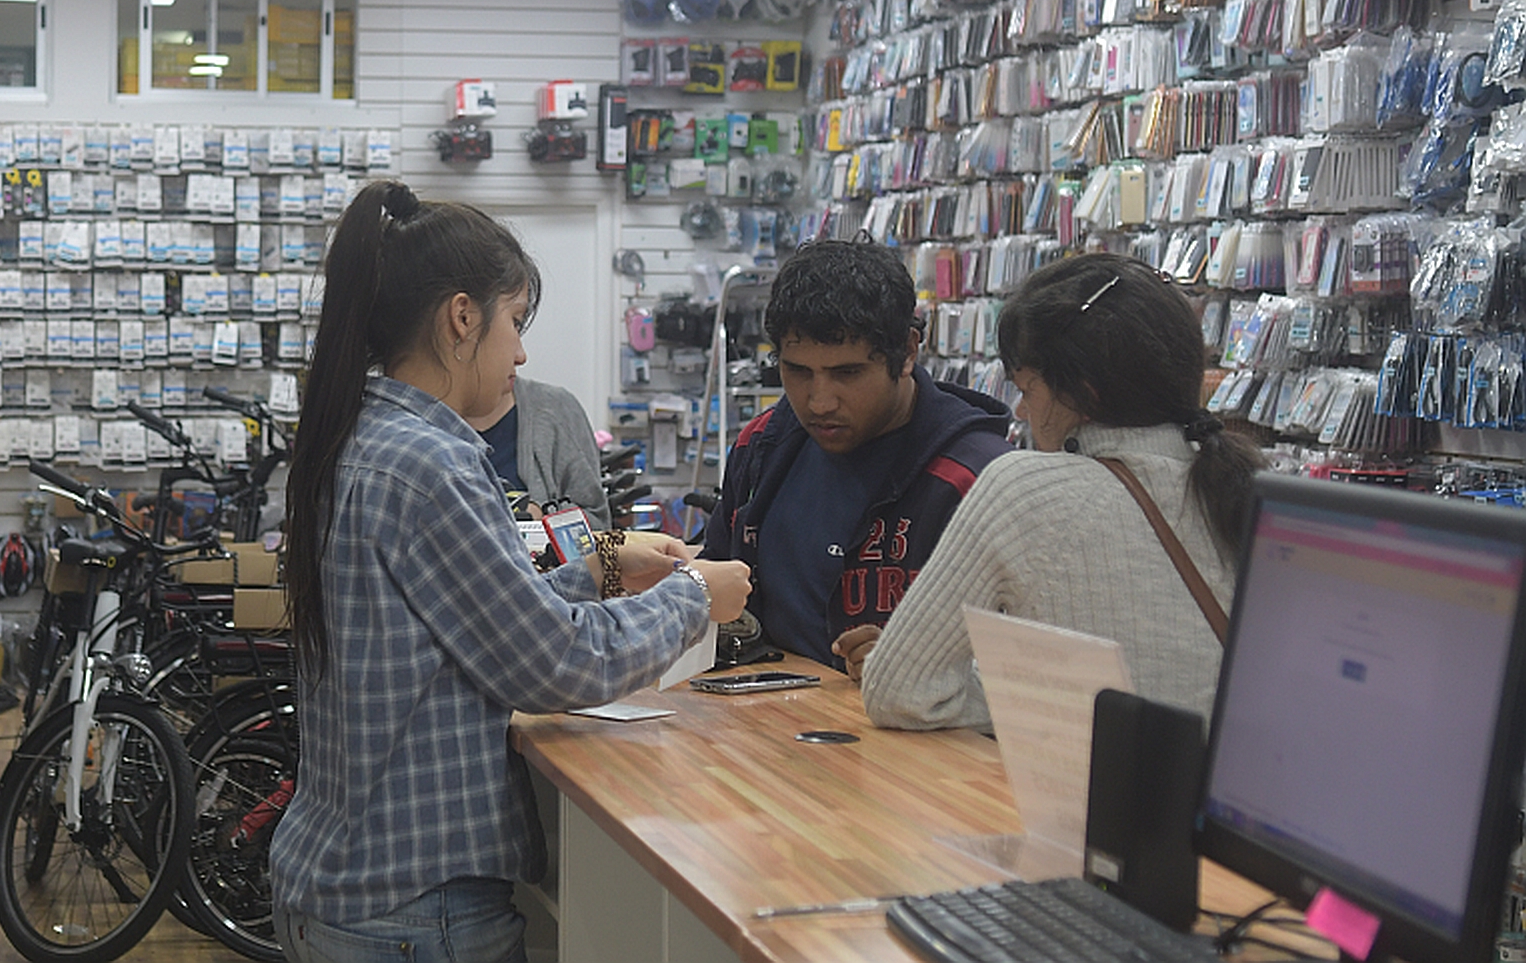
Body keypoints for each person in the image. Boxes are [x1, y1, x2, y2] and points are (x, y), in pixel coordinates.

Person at [269, 180, 750, 963]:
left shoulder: (361, 437)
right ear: (462, 317)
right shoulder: (431, 464)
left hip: (348, 888)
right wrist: (696, 596)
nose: (521, 353)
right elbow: (554, 662)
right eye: (515, 322)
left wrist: (600, 565)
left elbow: (472, 621)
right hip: (414, 911)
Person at [852, 252, 1261, 730]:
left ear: (1083, 394)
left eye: (1027, 389)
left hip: (1096, 778)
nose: (1021, 412)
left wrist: (1037, 702)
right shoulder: (1244, 486)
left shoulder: (1024, 490)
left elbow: (899, 691)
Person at [700, 240, 1012, 667]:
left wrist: (924, 673)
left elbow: (1026, 670)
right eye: (797, 371)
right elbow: (716, 594)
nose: (820, 402)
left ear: (907, 352)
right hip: (767, 706)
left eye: (847, 373)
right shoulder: (760, 446)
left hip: (912, 713)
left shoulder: (979, 479)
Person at [468, 373, 611, 528]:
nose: (520, 360)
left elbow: (599, 524)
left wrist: (541, 516)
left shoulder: (555, 408)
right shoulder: (446, 434)